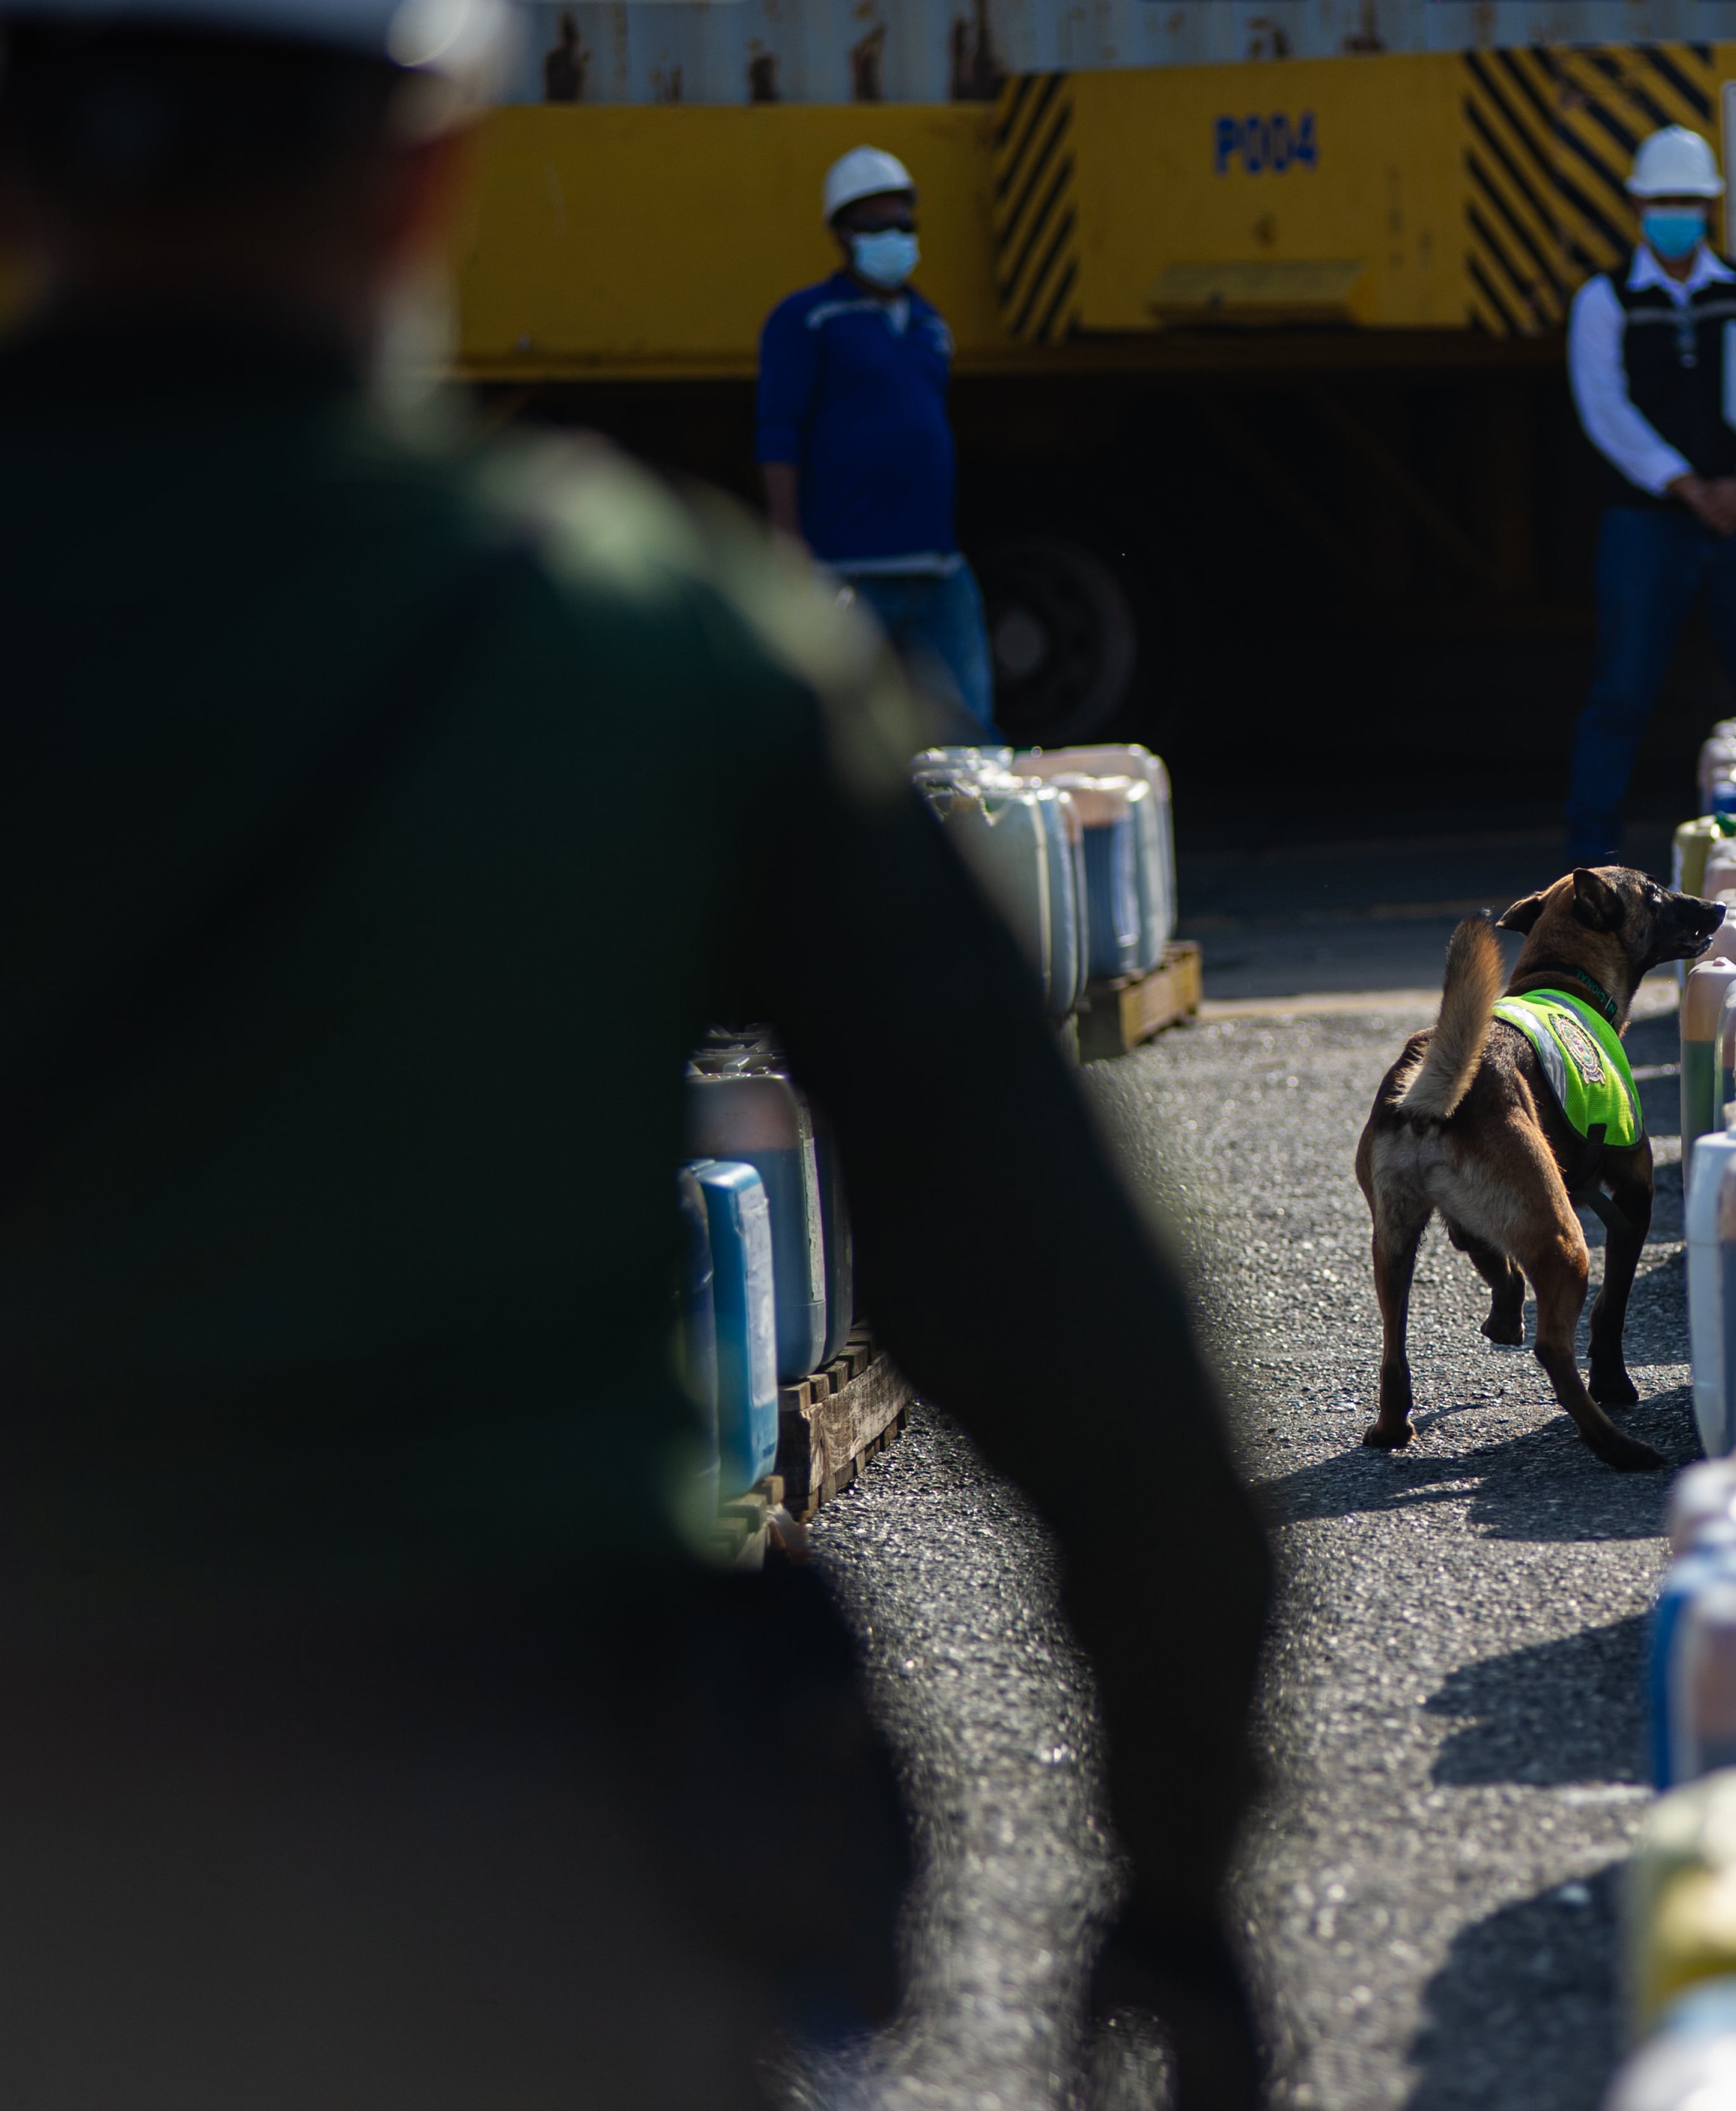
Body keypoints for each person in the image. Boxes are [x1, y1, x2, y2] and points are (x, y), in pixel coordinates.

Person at [0, 5, 1268, 2105]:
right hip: (532, 1892)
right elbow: (1097, 1357)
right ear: (431, 171)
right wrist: (1178, 1892)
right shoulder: (645, 648)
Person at [1563, 123, 1736, 865]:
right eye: (1661, 199)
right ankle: (1591, 857)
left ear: (1711, 207)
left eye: (1689, 200)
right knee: (1620, 692)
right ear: (1636, 202)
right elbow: (1603, 407)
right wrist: (1681, 481)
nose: (1675, 211)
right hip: (1646, 523)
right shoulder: (1604, 300)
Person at [759, 145, 997, 735]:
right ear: (841, 233)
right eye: (874, 225)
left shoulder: (929, 324)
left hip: (936, 565)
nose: (893, 237)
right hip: (850, 568)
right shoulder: (807, 320)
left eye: (903, 224)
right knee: (840, 728)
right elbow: (778, 433)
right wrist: (790, 543)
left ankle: (978, 826)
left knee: (970, 729)